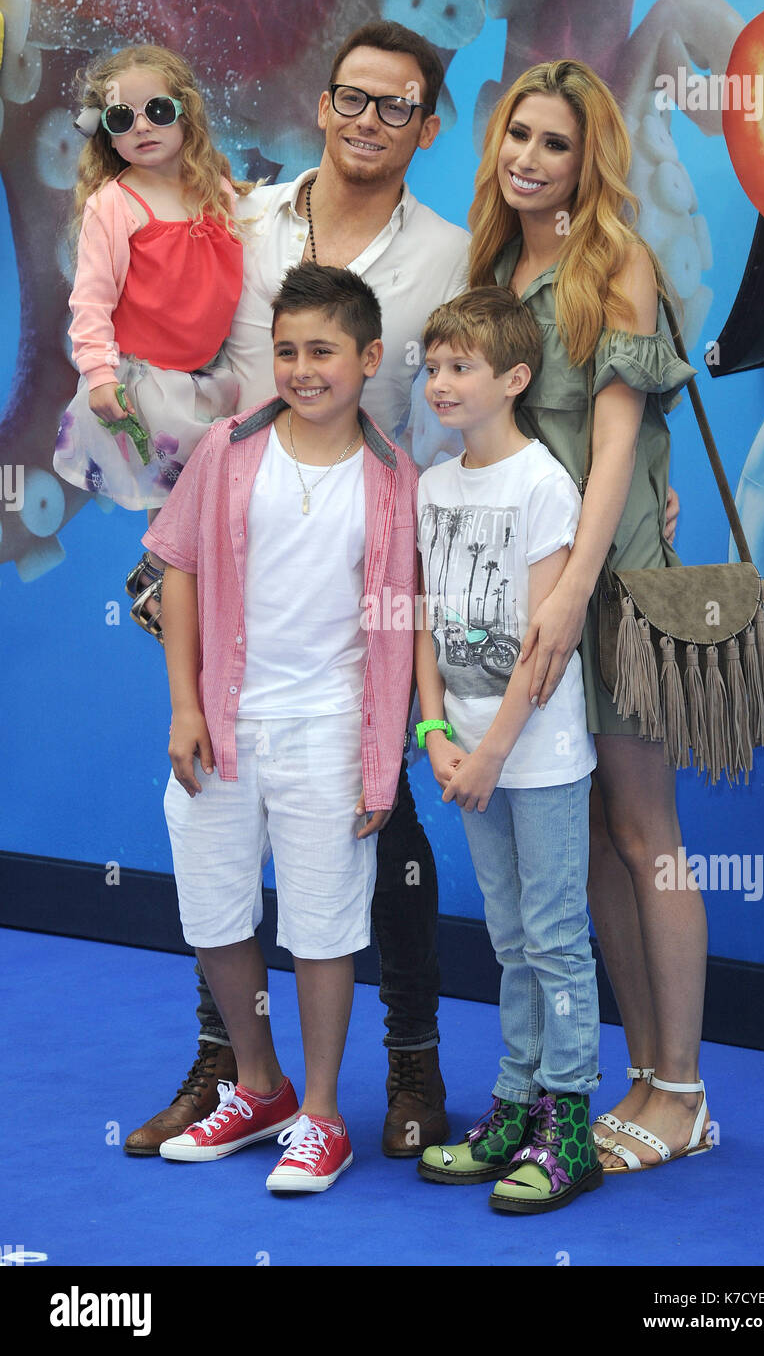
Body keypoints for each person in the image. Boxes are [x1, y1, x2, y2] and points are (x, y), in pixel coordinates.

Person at [123, 20, 469, 1161]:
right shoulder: (242, 216)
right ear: (321, 104)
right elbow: (175, 348)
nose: (371, 121)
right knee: (216, 798)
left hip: (374, 572)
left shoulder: (454, 253)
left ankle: (408, 1062)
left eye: (399, 106)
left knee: (389, 822)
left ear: (430, 124)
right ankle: (233, 1063)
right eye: (353, 99)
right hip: (233, 539)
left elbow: (502, 369)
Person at [468, 60, 711, 1172]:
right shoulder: (496, 263)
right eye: (519, 134)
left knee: (643, 834)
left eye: (555, 143)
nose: (530, 158)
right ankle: (637, 1074)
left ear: (590, 157)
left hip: (604, 592)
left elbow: (615, 446)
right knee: (590, 857)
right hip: (528, 594)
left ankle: (684, 1090)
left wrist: (573, 594)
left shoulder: (618, 261)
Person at [142, 263, 418, 1192]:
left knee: (324, 924)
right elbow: (176, 565)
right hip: (225, 725)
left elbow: (402, 625)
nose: (303, 369)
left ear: (369, 358)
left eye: (324, 352)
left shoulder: (395, 480)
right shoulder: (227, 448)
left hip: (332, 731)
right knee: (214, 908)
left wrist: (383, 760)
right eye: (288, 350)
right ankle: (257, 1086)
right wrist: (186, 705)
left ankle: (325, 1114)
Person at [413, 288, 602, 1214]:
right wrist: (435, 732)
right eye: (434, 365)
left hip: (538, 757)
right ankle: (515, 1102)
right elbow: (421, 623)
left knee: (558, 938)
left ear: (515, 379)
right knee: (509, 935)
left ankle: (569, 1122)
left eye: (462, 368)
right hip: (468, 755)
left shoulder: (543, 484)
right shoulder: (432, 485)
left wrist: (488, 753)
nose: (440, 383)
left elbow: (543, 640)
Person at [53, 44, 247, 638]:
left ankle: (168, 578)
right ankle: (165, 585)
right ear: (106, 135)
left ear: (186, 114)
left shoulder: (213, 185)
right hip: (152, 384)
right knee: (179, 497)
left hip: (210, 375)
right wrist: (99, 374)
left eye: (157, 110)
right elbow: (90, 300)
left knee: (212, 500)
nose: (141, 126)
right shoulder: (115, 204)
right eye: (121, 118)